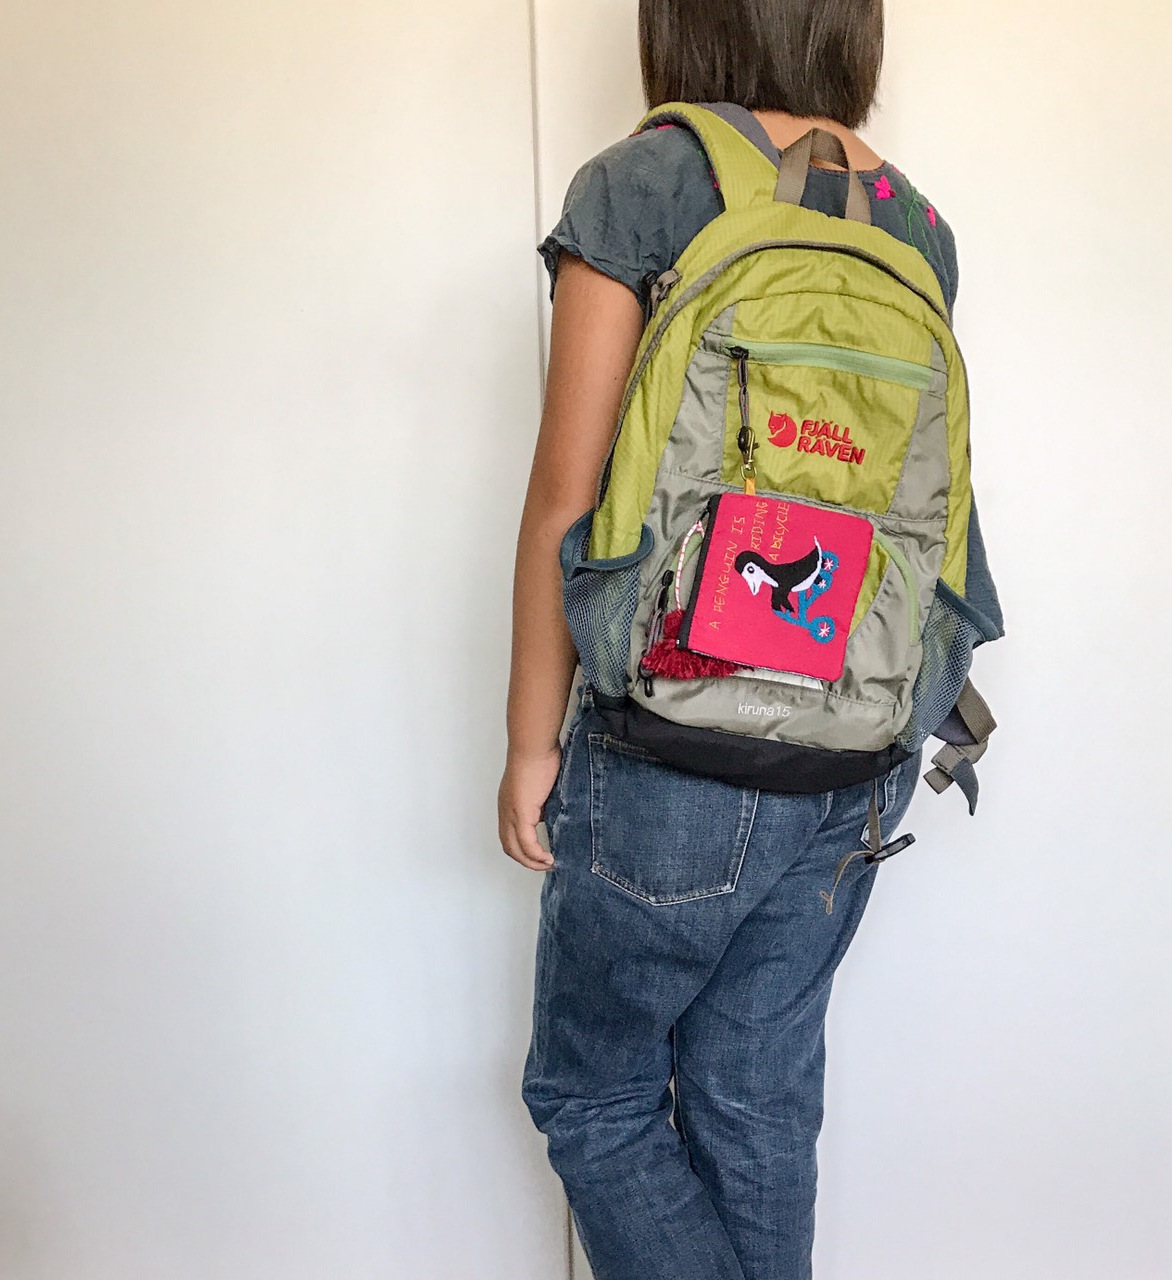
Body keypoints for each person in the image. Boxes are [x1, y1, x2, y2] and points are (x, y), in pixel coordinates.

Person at [499, 3, 994, 1277]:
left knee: (593, 1096)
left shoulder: (643, 184)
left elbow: (563, 500)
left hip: (673, 752)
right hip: (859, 751)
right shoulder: (916, 224)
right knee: (752, 1093)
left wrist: (526, 746)